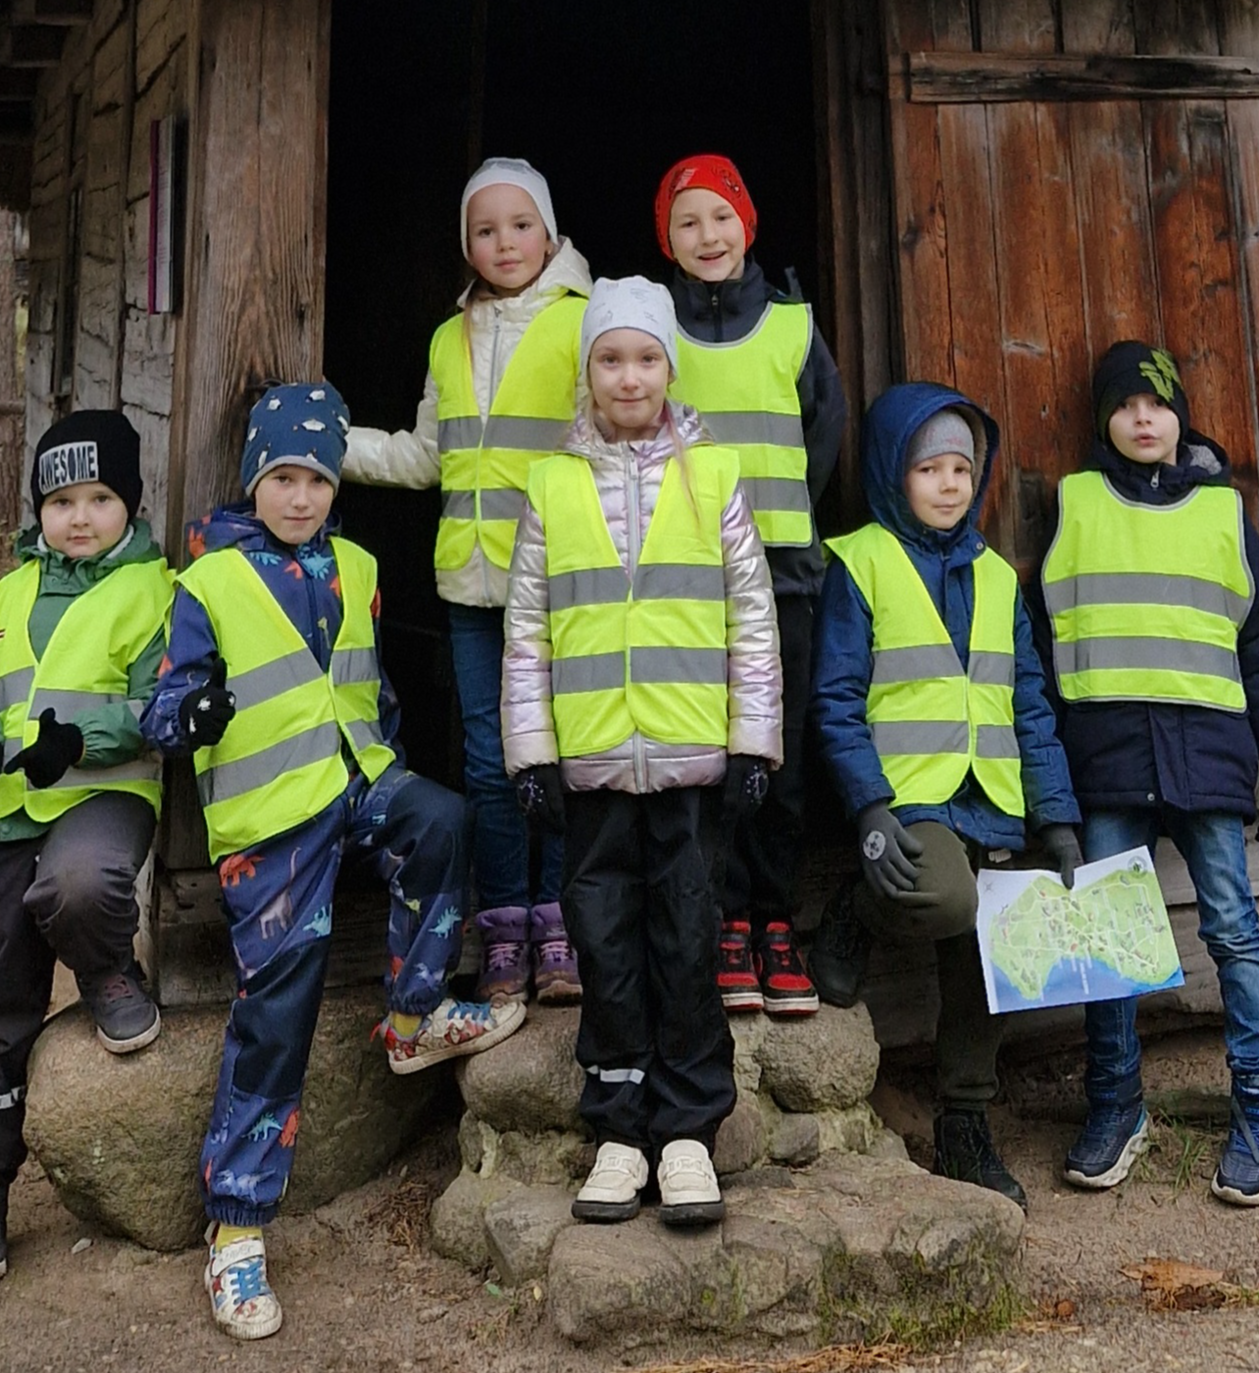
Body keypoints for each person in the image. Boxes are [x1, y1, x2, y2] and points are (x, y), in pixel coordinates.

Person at [143, 383, 524, 1339]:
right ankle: (235, 1232)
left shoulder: (357, 563)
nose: (300, 495)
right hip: (272, 822)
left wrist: (386, 749)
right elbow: (164, 703)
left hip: (357, 783)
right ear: (253, 482)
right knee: (277, 1012)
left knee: (440, 818)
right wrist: (188, 715)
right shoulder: (207, 581)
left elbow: (368, 683)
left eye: (314, 476)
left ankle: (412, 1012)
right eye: (281, 477)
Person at [501, 277, 782, 1228]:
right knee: (605, 943)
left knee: (688, 938)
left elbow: (753, 615)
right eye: (611, 359)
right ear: (587, 373)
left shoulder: (715, 474)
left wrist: (754, 740)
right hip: (591, 768)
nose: (630, 377)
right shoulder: (552, 483)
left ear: (670, 367)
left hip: (693, 763)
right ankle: (620, 1129)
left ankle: (689, 1132)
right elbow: (526, 628)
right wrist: (531, 752)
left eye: (646, 358)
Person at [1041, 341, 1259, 1206]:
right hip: (1109, 756)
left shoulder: (1223, 512)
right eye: (1124, 406)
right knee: (1111, 944)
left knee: (1231, 930)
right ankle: (1115, 1104)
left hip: (1207, 757)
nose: (1142, 419)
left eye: (1156, 404)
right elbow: (1039, 645)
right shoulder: (1072, 504)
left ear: (1180, 414)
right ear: (1105, 421)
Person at [803, 383, 1081, 1212]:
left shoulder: (998, 576)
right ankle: (858, 909)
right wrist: (866, 810)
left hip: (991, 797)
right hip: (908, 799)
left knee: (987, 953)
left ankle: (964, 1120)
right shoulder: (860, 561)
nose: (951, 482)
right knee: (948, 895)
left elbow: (1029, 702)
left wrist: (1058, 819)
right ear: (895, 472)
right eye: (930, 466)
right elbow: (835, 698)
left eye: (963, 466)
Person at [0, 411, 173, 1288]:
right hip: (5, 814)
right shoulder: (6, 596)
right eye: (61, 500)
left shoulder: (157, 593)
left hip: (102, 796)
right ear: (38, 510)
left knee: (78, 885)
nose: (78, 517)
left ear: (130, 504)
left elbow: (162, 703)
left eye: (99, 498)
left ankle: (109, 967)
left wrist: (85, 737)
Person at [342, 157, 591, 1005]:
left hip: (562, 580)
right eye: (484, 231)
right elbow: (425, 456)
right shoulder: (449, 339)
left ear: (549, 231)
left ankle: (560, 923)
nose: (504, 242)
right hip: (471, 583)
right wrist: (327, 444)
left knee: (558, 752)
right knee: (488, 762)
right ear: (466, 245)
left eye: (520, 225)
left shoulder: (585, 322)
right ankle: (505, 926)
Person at [657, 153, 847, 1019]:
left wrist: (777, 528)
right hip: (689, 585)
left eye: (720, 217)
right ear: (667, 237)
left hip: (784, 577)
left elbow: (824, 439)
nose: (707, 236)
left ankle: (776, 921)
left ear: (748, 227)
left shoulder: (794, 327)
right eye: (687, 221)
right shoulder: (654, 327)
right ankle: (724, 919)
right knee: (707, 753)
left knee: (780, 755)